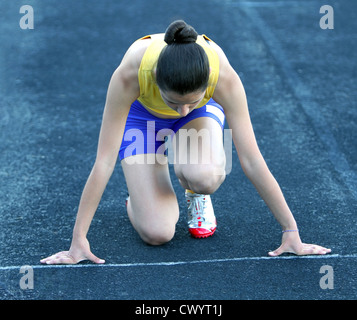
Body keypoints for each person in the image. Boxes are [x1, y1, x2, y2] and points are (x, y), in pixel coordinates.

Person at [40, 20, 331, 265]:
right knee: (157, 233)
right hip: (143, 119)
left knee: (205, 177)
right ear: (155, 78)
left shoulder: (222, 77)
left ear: (208, 84)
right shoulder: (131, 74)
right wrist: (78, 240)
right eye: (174, 102)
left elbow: (252, 160)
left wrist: (291, 231)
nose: (181, 110)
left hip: (199, 119)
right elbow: (103, 161)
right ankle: (139, 198)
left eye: (191, 100)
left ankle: (195, 190)